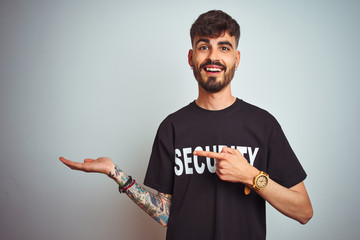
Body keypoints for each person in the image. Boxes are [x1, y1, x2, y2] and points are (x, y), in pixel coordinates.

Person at [60, 10, 313, 240]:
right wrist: (115, 173)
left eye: (224, 48)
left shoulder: (263, 124)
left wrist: (250, 175)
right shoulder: (172, 127)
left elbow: (303, 211)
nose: (213, 56)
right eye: (204, 46)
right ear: (191, 57)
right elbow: (166, 214)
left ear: (237, 58)